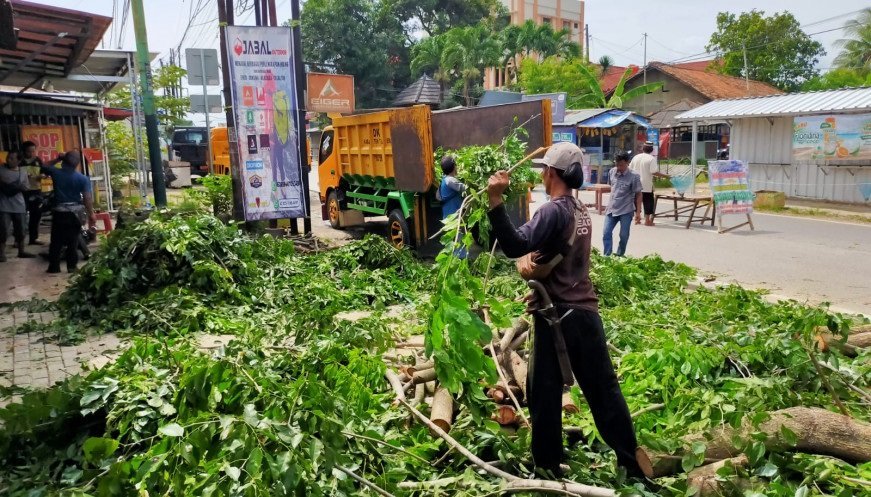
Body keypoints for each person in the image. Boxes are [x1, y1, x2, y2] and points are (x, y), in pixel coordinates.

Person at [485, 142, 642, 477]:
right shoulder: (579, 209)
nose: (542, 175)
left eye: (544, 170)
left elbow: (514, 245)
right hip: (585, 312)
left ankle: (546, 466)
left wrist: (495, 200)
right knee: (604, 390)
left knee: (542, 392)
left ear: (552, 173)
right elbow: (555, 259)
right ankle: (632, 461)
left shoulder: (553, 211)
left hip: (558, 318)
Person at [40, 151, 95, 273]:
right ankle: (71, 266)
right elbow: (87, 198)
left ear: (64, 161)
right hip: (75, 214)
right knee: (73, 241)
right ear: (77, 164)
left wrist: (57, 158)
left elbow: (43, 166)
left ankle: (54, 267)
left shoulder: (56, 173)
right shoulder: (83, 179)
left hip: (59, 212)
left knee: (56, 241)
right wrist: (91, 214)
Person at [603, 152, 642, 257]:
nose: (618, 167)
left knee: (624, 235)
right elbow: (612, 187)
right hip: (611, 209)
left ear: (627, 163)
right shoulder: (612, 172)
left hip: (626, 210)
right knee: (606, 233)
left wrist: (638, 212)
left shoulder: (634, 176)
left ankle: (620, 255)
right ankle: (607, 256)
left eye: (621, 165)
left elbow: (638, 195)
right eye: (617, 164)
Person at [0, 151, 36, 261]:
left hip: (19, 205)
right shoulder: (1, 169)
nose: (8, 160)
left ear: (18, 161)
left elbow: (26, 187)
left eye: (11, 158)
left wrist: (21, 187)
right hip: (3, 205)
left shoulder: (23, 172)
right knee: (3, 230)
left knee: (21, 230)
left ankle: (21, 251)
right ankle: (1, 254)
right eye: (8, 157)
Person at [630, 141, 668, 226]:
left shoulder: (636, 157)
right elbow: (653, 172)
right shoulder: (651, 159)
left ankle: (637, 218)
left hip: (636, 183)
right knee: (648, 201)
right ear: (651, 150)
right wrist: (666, 176)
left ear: (643, 148)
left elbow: (630, 169)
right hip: (646, 184)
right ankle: (647, 220)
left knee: (637, 201)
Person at [20, 141, 46, 245]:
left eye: (33, 151)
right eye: (28, 151)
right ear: (24, 151)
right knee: (21, 216)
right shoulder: (19, 161)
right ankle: (19, 240)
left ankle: (33, 238)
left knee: (36, 215)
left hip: (36, 191)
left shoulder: (38, 161)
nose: (31, 153)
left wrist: (42, 176)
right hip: (22, 191)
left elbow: (44, 173)